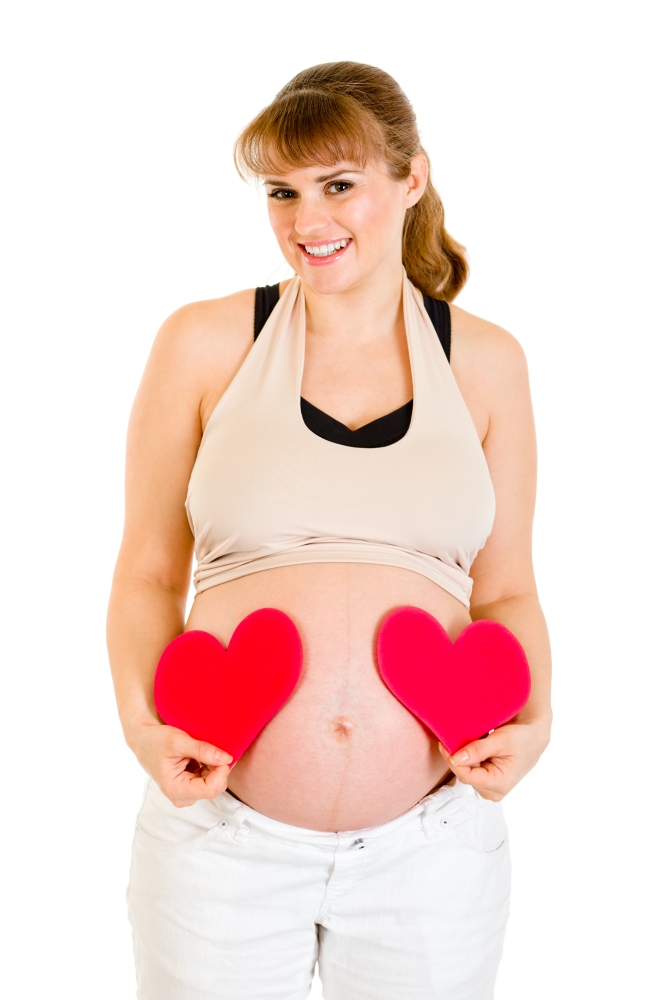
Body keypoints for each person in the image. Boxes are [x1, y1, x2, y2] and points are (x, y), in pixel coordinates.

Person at [107, 61, 551, 1000]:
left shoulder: (486, 363)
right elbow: (148, 569)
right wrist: (144, 729)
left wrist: (535, 720)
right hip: (221, 840)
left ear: (411, 179)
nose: (308, 221)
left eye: (339, 185)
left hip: (429, 850)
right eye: (283, 192)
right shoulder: (206, 342)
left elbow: (507, 584)